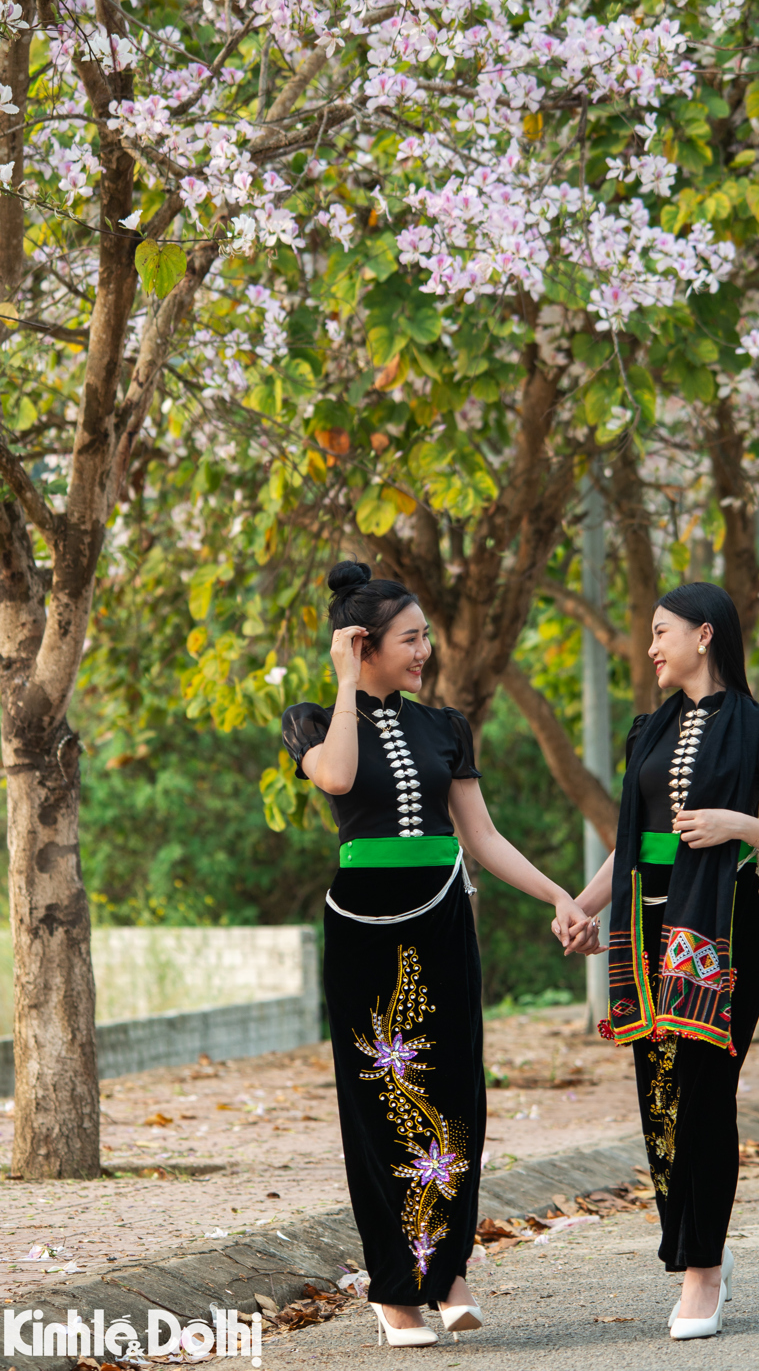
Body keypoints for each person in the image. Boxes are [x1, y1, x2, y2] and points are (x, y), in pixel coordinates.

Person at [282, 560, 590, 1348]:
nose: (423, 652)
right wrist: (346, 682)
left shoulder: (446, 726)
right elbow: (340, 777)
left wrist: (559, 895)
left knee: (454, 1094)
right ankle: (395, 1294)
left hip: (442, 919)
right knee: (379, 1106)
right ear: (364, 645)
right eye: (410, 639)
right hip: (363, 930)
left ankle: (448, 1272)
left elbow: (481, 839)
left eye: (424, 638)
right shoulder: (314, 720)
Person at [557, 582, 759, 1341]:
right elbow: (633, 845)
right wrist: (584, 905)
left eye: (661, 632)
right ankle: (691, 1249)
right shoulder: (649, 731)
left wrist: (740, 823)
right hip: (647, 929)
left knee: (704, 1094)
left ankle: (704, 1269)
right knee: (661, 1099)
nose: (650, 647)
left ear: (705, 635)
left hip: (725, 933)